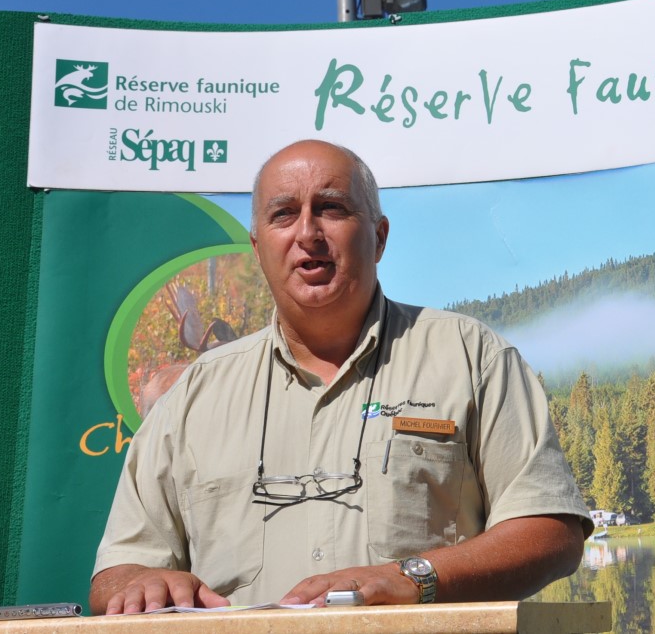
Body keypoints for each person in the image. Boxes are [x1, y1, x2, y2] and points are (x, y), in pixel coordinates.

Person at [90, 140, 589, 614]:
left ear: (379, 236)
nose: (307, 232)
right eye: (284, 214)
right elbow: (117, 572)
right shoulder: (192, 396)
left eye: (331, 208)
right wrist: (141, 584)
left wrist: (413, 577)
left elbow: (551, 532)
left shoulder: (471, 356)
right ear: (259, 246)